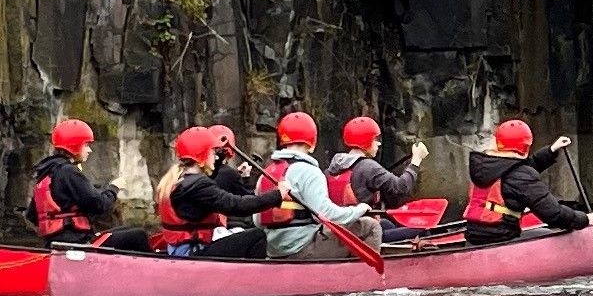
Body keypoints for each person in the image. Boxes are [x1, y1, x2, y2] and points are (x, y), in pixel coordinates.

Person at [257, 112, 373, 259]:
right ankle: (363, 279)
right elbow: (328, 215)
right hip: (302, 250)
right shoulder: (309, 171)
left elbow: (257, 220)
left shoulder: (267, 172)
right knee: (370, 226)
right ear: (312, 142)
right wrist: (359, 210)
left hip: (273, 250)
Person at [26, 116, 151, 251]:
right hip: (77, 244)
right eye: (86, 145)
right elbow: (99, 205)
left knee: (127, 229)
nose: (89, 150)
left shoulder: (46, 172)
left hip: (58, 242)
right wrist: (114, 188)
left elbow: (32, 215)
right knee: (139, 235)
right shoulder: (68, 172)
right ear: (74, 146)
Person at [459, 118, 591, 241]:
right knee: (546, 233)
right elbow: (554, 215)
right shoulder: (519, 175)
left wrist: (551, 150)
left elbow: (519, 171)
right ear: (525, 147)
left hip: (474, 235)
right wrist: (585, 219)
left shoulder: (486, 165)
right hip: (501, 236)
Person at [159, 124, 272, 259]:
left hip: (179, 249)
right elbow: (238, 205)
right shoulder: (198, 185)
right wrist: (277, 196)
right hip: (192, 253)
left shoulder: (177, 178)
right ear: (203, 154)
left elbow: (211, 177)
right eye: (213, 152)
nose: (216, 157)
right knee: (257, 236)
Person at [329, 114, 420, 234]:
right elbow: (400, 187)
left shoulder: (331, 169)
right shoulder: (368, 167)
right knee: (422, 230)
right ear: (365, 140)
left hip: (342, 229)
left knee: (387, 223)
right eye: (375, 139)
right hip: (363, 233)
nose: (379, 144)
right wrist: (416, 161)